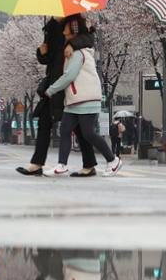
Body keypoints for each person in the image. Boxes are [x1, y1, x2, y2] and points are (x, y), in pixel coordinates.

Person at [16, 17, 98, 177]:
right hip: (53, 81)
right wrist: (41, 52)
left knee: (79, 126)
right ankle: (37, 163)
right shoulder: (51, 27)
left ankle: (89, 164)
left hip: (69, 82)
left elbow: (89, 38)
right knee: (44, 122)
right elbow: (48, 59)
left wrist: (72, 44)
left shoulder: (75, 21)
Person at [43, 14, 122, 177]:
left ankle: (113, 160)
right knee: (65, 130)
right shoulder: (73, 50)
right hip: (74, 100)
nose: (63, 32)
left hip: (85, 100)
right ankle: (61, 165)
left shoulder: (78, 53)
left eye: (65, 29)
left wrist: (51, 89)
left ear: (73, 30)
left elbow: (69, 76)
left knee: (88, 133)